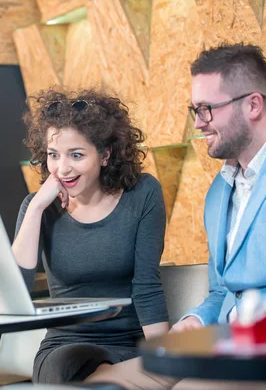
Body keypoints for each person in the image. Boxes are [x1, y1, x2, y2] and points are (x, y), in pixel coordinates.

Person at [86, 43, 266, 389]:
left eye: (207, 109)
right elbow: (223, 292)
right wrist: (197, 318)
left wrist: (250, 337)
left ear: (253, 104)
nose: (198, 122)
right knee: (103, 383)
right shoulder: (219, 190)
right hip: (224, 347)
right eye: (194, 109)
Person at [13, 88, 169, 384]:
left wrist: (165, 355)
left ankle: (111, 380)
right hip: (64, 351)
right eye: (53, 155)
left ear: (105, 154)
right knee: (72, 372)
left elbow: (147, 286)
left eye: (76, 155)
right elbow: (15, 291)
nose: (62, 168)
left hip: (129, 344)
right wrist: (35, 209)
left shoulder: (143, 194)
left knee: (111, 380)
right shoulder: (38, 208)